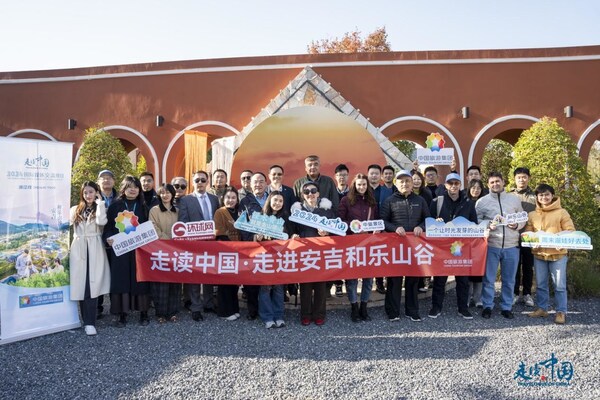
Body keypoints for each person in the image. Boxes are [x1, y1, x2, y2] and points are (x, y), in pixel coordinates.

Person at [380, 170, 430, 322]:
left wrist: (421, 226)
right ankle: (393, 311)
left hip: (415, 246)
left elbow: (428, 219)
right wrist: (394, 228)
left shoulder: (420, 200)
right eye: (401, 181)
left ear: (411, 183)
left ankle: (412, 310)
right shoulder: (389, 201)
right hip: (396, 247)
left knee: (413, 280)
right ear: (396, 183)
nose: (404, 184)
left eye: (407, 181)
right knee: (394, 280)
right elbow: (383, 221)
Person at [428, 173, 478, 320]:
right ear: (446, 185)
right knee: (440, 279)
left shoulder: (468, 203)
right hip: (442, 247)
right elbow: (428, 222)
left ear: (460, 185)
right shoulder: (437, 201)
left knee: (462, 280)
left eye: (456, 183)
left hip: (461, 247)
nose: (454, 186)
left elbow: (474, 224)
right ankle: (436, 307)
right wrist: (435, 222)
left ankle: (463, 308)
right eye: (451, 183)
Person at [476, 172, 525, 319]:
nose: (495, 184)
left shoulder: (514, 200)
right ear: (488, 184)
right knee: (489, 279)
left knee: (509, 279)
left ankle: (506, 306)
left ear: (503, 182)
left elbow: (522, 217)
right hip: (491, 244)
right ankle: (487, 306)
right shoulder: (482, 202)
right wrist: (487, 224)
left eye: (498, 181)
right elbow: (476, 220)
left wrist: (517, 225)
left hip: (511, 245)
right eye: (492, 182)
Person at [103, 175, 151, 327]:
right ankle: (121, 314)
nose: (133, 189)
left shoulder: (143, 205)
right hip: (121, 250)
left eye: (136, 187)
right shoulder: (115, 206)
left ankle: (143, 313)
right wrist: (108, 238)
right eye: (130, 186)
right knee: (121, 280)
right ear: (124, 188)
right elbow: (108, 228)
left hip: (139, 249)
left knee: (140, 279)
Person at [526, 184, 575, 325]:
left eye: (547, 194)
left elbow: (570, 230)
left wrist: (560, 238)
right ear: (537, 197)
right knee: (541, 284)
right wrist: (531, 240)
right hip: (539, 254)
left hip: (558, 254)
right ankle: (542, 308)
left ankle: (561, 311)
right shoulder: (532, 214)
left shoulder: (562, 212)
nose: (544, 197)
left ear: (552, 195)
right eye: (541, 195)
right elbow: (528, 233)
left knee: (559, 285)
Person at [178, 171, 220, 322]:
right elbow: (182, 221)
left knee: (209, 273)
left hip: (212, 243)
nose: (200, 182)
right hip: (194, 244)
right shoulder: (186, 200)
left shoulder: (215, 199)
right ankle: (196, 307)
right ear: (193, 182)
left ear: (207, 182)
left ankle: (208, 303)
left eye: (203, 180)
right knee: (195, 276)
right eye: (197, 180)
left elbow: (218, 219)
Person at [69, 181, 111, 336]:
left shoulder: (100, 208)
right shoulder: (75, 209)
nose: (88, 195)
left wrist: (100, 204)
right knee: (80, 285)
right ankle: (83, 319)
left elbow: (102, 222)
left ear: (96, 193)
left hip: (94, 247)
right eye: (85, 192)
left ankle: (90, 322)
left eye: (91, 192)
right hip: (78, 248)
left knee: (91, 285)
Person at [292, 182, 335, 326]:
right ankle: (305, 314)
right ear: (302, 195)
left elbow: (336, 230)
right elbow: (291, 229)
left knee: (320, 285)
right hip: (303, 252)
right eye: (306, 192)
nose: (310, 194)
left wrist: (327, 232)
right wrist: (294, 235)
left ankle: (319, 314)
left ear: (318, 193)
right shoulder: (297, 211)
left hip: (321, 253)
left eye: (313, 191)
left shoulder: (327, 210)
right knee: (305, 285)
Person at [338, 173, 378, 322]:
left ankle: (364, 307)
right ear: (354, 185)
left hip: (369, 244)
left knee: (368, 278)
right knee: (352, 278)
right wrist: (353, 226)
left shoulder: (372, 201)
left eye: (364, 184)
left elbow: (377, 220)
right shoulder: (346, 200)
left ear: (367, 186)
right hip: (352, 244)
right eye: (359, 184)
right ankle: (354, 307)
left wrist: (377, 229)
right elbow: (340, 221)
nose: (361, 187)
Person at [255, 191, 297, 329]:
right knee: (265, 288)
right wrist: (257, 237)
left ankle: (279, 316)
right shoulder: (260, 216)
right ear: (269, 200)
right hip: (264, 258)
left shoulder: (286, 217)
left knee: (279, 288)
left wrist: (294, 237)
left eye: (280, 201)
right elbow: (252, 237)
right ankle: (267, 317)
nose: (277, 203)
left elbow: (291, 236)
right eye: (275, 200)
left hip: (281, 258)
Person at [238, 172, 270, 320]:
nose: (258, 184)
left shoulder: (273, 198)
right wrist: (252, 238)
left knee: (269, 279)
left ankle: (269, 309)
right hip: (253, 246)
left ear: (266, 183)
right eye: (255, 182)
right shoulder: (245, 201)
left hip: (272, 246)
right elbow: (242, 224)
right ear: (250, 184)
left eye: (261, 181)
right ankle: (253, 311)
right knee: (252, 280)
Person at [149, 183, 181, 323]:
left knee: (175, 281)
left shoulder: (178, 210)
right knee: (160, 282)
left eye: (168, 192)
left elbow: (183, 227)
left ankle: (173, 312)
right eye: (162, 193)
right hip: (160, 249)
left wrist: (176, 241)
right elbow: (153, 227)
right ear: (159, 194)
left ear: (172, 194)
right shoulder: (154, 210)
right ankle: (160, 313)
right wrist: (167, 240)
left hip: (176, 250)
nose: (165, 195)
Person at [213, 186, 242, 321]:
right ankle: (224, 311)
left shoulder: (240, 212)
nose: (230, 200)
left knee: (235, 282)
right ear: (223, 199)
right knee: (225, 282)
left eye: (233, 198)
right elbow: (219, 232)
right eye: (228, 198)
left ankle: (234, 308)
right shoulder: (220, 212)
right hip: (226, 250)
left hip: (240, 251)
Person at [510, 167, 536, 307]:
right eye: (519, 177)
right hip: (513, 236)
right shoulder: (509, 195)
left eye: (524, 177)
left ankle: (527, 294)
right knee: (514, 266)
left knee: (528, 266)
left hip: (529, 237)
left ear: (528, 178)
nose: (522, 179)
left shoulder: (535, 196)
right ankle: (514, 293)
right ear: (515, 179)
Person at [97, 169, 117, 318]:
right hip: (97, 241)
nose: (106, 180)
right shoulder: (93, 198)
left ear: (114, 181)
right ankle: (98, 307)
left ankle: (115, 307)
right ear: (98, 182)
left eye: (109, 178)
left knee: (114, 274)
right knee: (98, 274)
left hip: (116, 241)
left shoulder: (119, 198)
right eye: (103, 178)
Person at [330, 163, 350, 297]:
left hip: (350, 231)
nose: (341, 177)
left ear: (348, 176)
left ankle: (349, 283)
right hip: (333, 231)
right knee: (336, 258)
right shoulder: (331, 192)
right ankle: (338, 284)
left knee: (349, 258)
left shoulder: (353, 192)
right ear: (335, 177)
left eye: (344, 175)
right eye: (339, 175)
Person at [466, 179, 485, 308]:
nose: (476, 190)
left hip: (481, 241)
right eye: (473, 187)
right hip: (466, 241)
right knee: (467, 269)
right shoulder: (464, 202)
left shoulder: (485, 202)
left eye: (478, 188)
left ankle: (478, 298)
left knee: (479, 269)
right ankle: (467, 297)